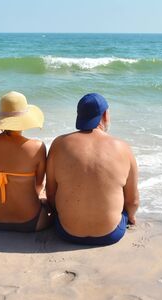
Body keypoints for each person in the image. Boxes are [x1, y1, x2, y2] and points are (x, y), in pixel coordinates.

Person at [46, 93, 139, 246]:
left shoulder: (59, 144)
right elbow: (133, 201)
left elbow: (51, 193)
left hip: (66, 231)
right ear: (105, 115)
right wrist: (131, 217)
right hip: (110, 234)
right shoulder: (122, 148)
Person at [0, 91, 52, 232]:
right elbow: (39, 185)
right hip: (31, 220)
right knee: (52, 210)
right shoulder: (37, 147)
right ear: (25, 119)